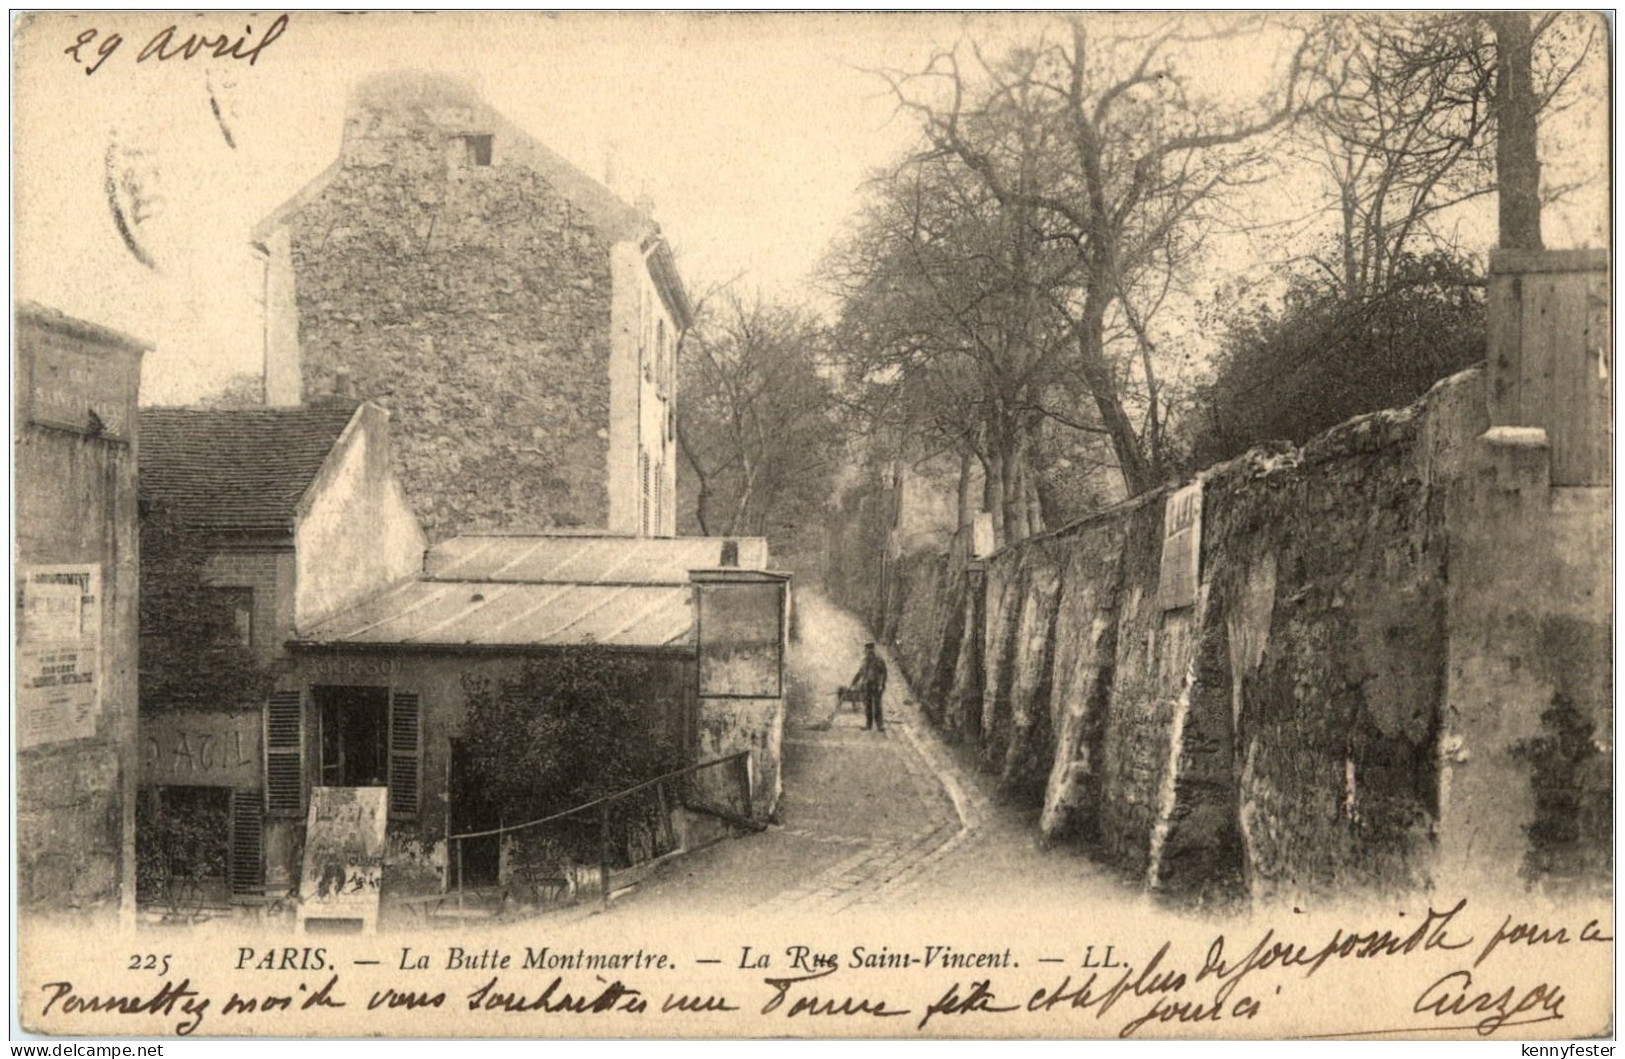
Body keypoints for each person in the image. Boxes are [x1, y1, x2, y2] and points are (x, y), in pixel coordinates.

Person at [850, 642, 889, 732]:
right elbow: (860, 673)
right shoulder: (864, 661)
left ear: (873, 651)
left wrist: (881, 684)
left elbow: (884, 673)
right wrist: (853, 682)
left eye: (870, 651)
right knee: (867, 706)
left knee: (877, 706)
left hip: (876, 686)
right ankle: (868, 725)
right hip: (866, 685)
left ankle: (880, 726)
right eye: (867, 651)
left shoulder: (879, 660)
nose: (868, 653)